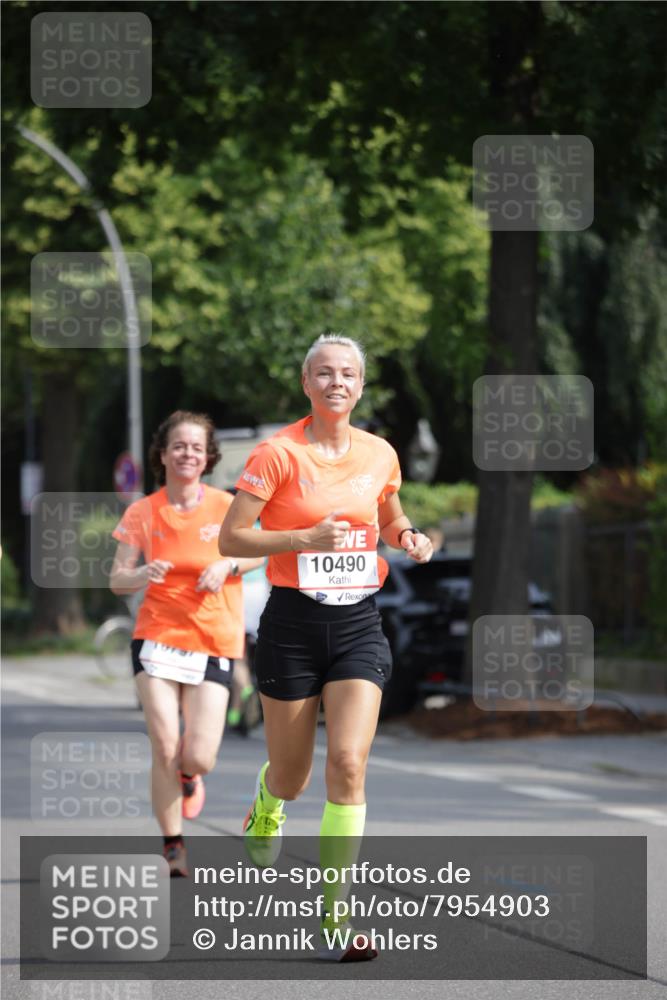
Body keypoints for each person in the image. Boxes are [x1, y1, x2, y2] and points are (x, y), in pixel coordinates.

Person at [219, 334, 433, 959]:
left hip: (359, 623)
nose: (336, 382)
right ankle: (267, 803)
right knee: (293, 777)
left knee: (348, 764)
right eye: (323, 373)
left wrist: (410, 536)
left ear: (360, 387)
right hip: (292, 625)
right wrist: (303, 538)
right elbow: (234, 539)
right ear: (306, 384)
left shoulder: (380, 453)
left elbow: (390, 518)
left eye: (348, 374)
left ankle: (335, 915)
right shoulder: (277, 454)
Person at [110, 411, 262, 877]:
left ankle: (190, 775)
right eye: (179, 445)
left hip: (212, 637)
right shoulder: (143, 511)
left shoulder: (225, 506)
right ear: (163, 453)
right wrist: (139, 574)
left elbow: (261, 550)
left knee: (197, 754)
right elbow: (117, 578)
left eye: (197, 447)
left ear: (208, 457)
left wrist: (228, 567)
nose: (188, 454)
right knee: (164, 742)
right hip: (156, 635)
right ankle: (173, 844)